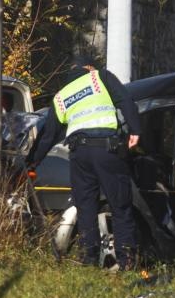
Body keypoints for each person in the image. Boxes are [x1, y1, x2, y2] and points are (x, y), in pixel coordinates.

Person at [30, 61, 142, 269]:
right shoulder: (100, 77)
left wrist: (31, 162)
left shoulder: (61, 96)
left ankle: (88, 261)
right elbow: (126, 100)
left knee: (86, 208)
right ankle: (126, 262)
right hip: (106, 149)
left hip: (79, 154)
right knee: (120, 206)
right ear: (88, 68)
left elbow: (48, 135)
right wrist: (135, 129)